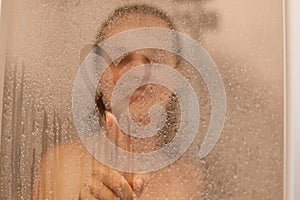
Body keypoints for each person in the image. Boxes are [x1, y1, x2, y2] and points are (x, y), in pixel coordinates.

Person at [32, 4, 203, 200]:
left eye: (155, 59)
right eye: (121, 57)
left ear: (176, 78)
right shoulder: (63, 164)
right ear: (98, 74)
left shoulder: (187, 180)